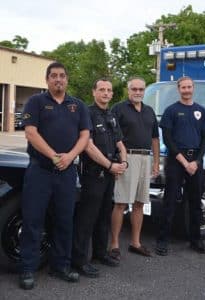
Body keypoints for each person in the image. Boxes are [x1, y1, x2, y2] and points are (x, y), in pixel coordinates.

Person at [19, 62, 90, 290]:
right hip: (40, 171)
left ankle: (61, 266)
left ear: (67, 80)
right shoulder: (36, 102)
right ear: (47, 80)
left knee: (64, 220)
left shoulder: (77, 105)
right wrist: (53, 156)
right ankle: (27, 269)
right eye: (54, 76)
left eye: (62, 76)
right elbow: (31, 133)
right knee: (32, 221)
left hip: (66, 173)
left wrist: (69, 157)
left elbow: (85, 136)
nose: (58, 79)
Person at [72, 78, 127, 277]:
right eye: (101, 89)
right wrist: (111, 165)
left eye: (109, 90)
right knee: (87, 218)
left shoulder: (111, 115)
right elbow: (88, 145)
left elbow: (120, 143)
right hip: (93, 174)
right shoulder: (86, 113)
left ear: (112, 94)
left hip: (110, 174)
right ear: (94, 92)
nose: (105, 93)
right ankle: (79, 260)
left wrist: (124, 163)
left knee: (104, 215)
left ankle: (100, 253)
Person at [155, 76, 205, 256]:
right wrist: (184, 161)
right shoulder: (171, 111)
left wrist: (196, 161)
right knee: (170, 202)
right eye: (183, 87)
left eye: (189, 87)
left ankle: (196, 240)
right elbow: (168, 139)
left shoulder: (201, 111)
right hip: (176, 161)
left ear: (193, 88)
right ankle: (163, 240)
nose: (186, 90)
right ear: (178, 89)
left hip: (195, 161)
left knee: (195, 202)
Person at [109, 77, 159, 260]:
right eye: (134, 89)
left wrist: (155, 162)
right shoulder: (118, 109)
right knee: (121, 203)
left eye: (141, 89)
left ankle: (135, 243)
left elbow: (155, 138)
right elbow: (113, 135)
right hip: (126, 158)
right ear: (128, 90)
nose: (138, 92)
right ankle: (114, 244)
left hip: (146, 159)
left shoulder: (149, 111)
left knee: (139, 203)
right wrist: (119, 158)